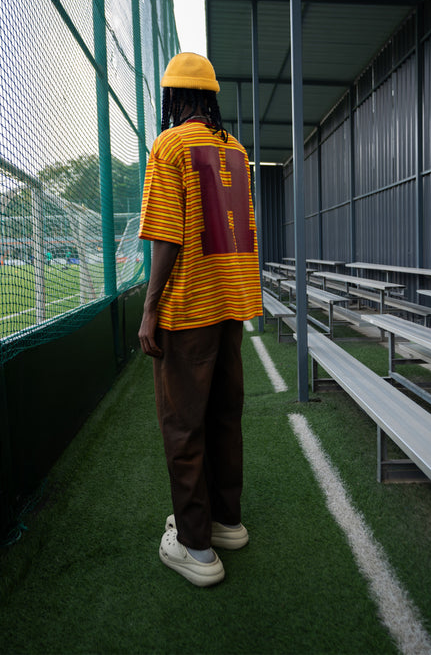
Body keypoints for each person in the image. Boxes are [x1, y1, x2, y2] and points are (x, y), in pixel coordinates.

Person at [138, 52, 263, 587]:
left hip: (188, 308)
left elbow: (167, 235)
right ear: (210, 96)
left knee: (182, 427)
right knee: (223, 417)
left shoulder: (170, 145)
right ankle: (225, 521)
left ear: (173, 97)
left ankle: (196, 547)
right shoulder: (235, 149)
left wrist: (149, 309)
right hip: (232, 302)